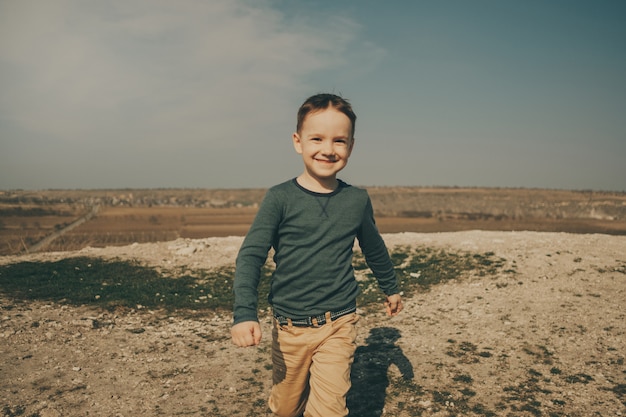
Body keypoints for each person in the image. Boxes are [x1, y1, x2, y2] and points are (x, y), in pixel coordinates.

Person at [231, 93, 403, 417]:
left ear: (351, 146)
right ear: (298, 142)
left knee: (329, 411)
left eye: (339, 140)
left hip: (339, 322)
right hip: (290, 328)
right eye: (317, 138)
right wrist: (244, 313)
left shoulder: (356, 200)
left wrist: (390, 287)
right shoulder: (279, 198)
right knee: (286, 409)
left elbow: (373, 246)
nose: (328, 149)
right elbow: (251, 256)